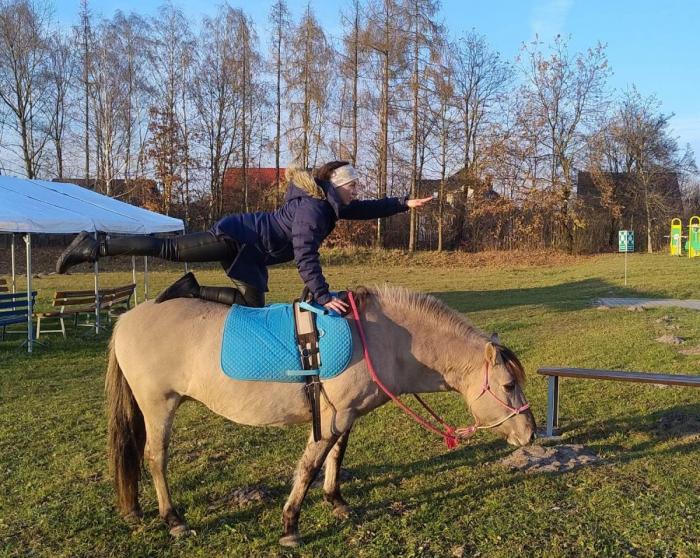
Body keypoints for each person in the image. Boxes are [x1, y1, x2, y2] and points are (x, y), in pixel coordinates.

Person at [56, 161, 432, 313]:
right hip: (236, 238)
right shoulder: (315, 209)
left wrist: (403, 203)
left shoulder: (329, 203)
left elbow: (364, 208)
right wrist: (322, 295)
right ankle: (95, 245)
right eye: (353, 186)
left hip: (253, 255)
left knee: (251, 308)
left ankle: (190, 289)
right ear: (337, 186)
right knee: (169, 248)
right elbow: (305, 254)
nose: (357, 191)